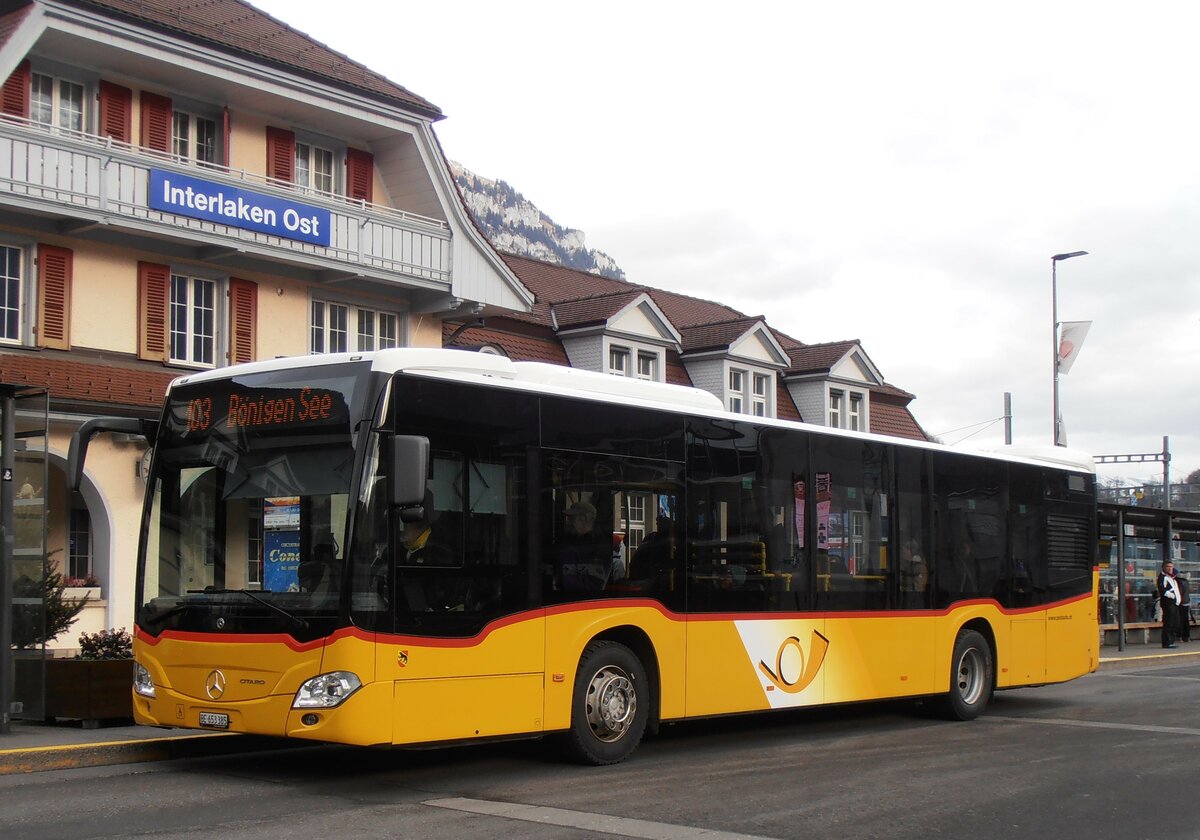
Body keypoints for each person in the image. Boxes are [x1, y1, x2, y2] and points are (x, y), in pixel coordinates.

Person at [556, 500, 609, 590]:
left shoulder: (599, 547)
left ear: (584, 519)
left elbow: (594, 584)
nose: (567, 522)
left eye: (571, 519)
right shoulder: (570, 541)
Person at [1157, 559, 1182, 649]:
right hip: (1168, 603)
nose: (1170, 568)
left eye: (1171, 566)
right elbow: (1162, 589)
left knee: (1174, 623)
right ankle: (1167, 642)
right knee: (1168, 623)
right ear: (1163, 567)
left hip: (1175, 603)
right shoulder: (1163, 577)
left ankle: (1171, 641)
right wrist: (1172, 596)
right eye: (1168, 567)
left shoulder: (1172, 577)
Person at [1178, 571, 1192, 643]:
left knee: (1180, 621)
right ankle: (1187, 637)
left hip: (1181, 603)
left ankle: (1180, 636)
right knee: (1186, 621)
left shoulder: (1179, 582)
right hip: (1186, 603)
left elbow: (1180, 593)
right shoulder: (1186, 582)